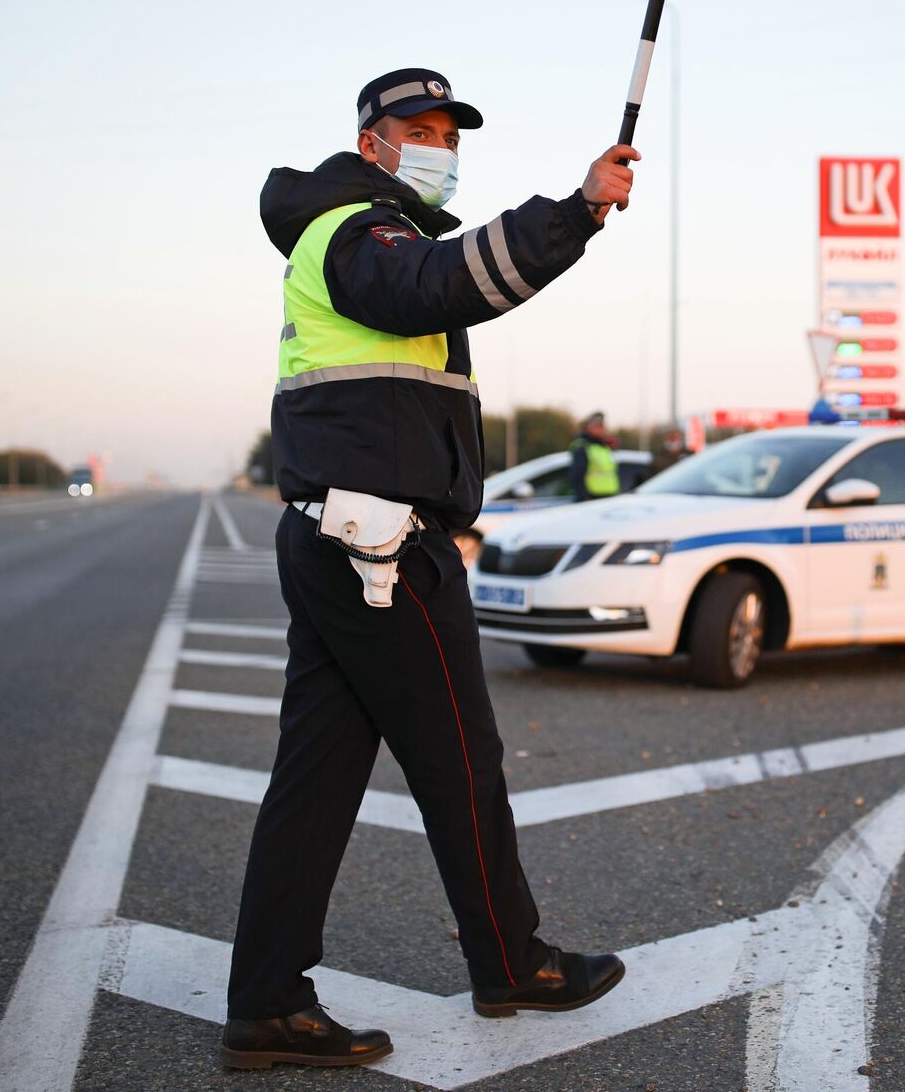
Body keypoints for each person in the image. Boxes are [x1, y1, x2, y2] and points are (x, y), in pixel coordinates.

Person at [221, 68, 637, 1071]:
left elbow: (425, 322)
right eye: (420, 127)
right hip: (379, 550)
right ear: (372, 141)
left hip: (339, 538)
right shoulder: (357, 232)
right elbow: (441, 280)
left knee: (315, 781)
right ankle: (511, 962)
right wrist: (576, 210)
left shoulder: (360, 230)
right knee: (460, 760)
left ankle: (268, 1002)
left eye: (450, 130)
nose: (439, 144)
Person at [568, 411, 620, 501]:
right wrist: (585, 499)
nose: (601, 429)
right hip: (592, 500)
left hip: (608, 498)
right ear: (588, 428)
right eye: (597, 426)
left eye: (602, 426)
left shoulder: (603, 447)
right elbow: (577, 476)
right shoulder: (583, 446)